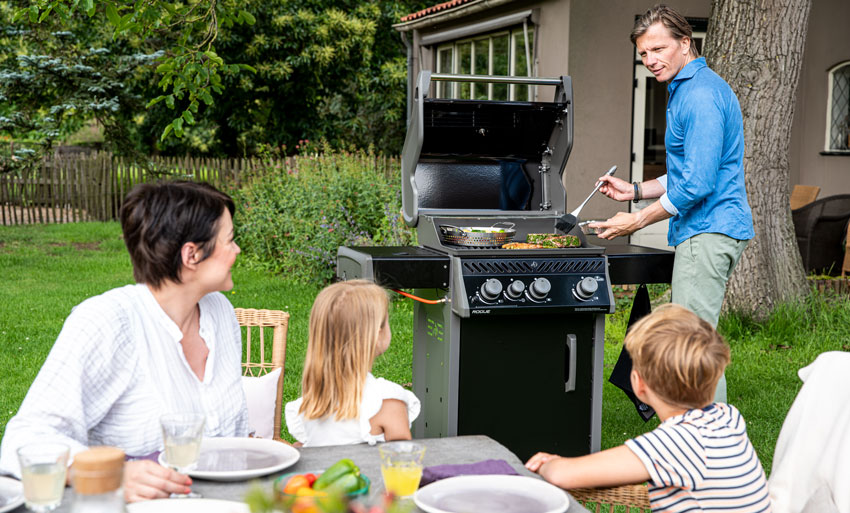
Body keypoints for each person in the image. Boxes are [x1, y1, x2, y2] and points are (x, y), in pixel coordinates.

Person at [0, 181, 249, 502]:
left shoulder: (220, 312)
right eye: (230, 240)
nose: (237, 250)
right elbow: (25, 440)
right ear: (192, 254)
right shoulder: (108, 322)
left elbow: (228, 439)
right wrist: (112, 474)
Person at [590, 4, 754, 402]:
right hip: (709, 228)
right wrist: (634, 191)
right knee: (691, 342)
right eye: (644, 53)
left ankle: (710, 436)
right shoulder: (691, 88)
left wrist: (637, 220)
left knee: (692, 349)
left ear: (685, 43)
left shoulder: (699, 95)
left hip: (708, 229)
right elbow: (691, 171)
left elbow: (697, 183)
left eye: (658, 49)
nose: (650, 60)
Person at [526, 304, 772, 512]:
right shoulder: (727, 417)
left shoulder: (677, 443)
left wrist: (549, 463)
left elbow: (562, 476)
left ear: (638, 383)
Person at [285, 280, 420, 447]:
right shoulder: (388, 401)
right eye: (386, 321)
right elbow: (402, 457)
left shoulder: (311, 402)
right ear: (377, 334)